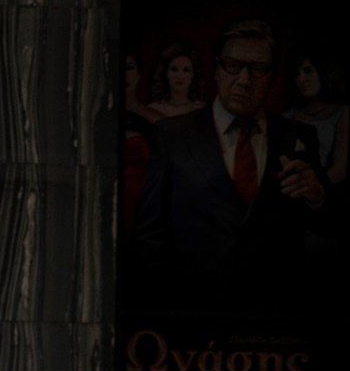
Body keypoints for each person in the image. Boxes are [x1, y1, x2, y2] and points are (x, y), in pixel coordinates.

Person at [133, 19, 329, 306]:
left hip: (275, 314)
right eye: (233, 65)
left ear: (272, 76)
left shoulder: (298, 136)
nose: (244, 80)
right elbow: (150, 232)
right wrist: (162, 305)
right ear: (216, 68)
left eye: (258, 69)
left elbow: (329, 224)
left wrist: (318, 197)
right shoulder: (173, 134)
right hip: (190, 311)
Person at [282, 43, 350, 186]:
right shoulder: (288, 115)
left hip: (321, 191)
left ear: (324, 71)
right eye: (297, 75)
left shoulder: (341, 113)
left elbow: (339, 169)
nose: (301, 80)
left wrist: (315, 189)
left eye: (308, 71)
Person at [146, 42, 207, 119]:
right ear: (165, 73)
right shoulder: (152, 110)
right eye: (174, 69)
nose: (179, 76)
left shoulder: (203, 110)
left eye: (186, 70)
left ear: (194, 74)